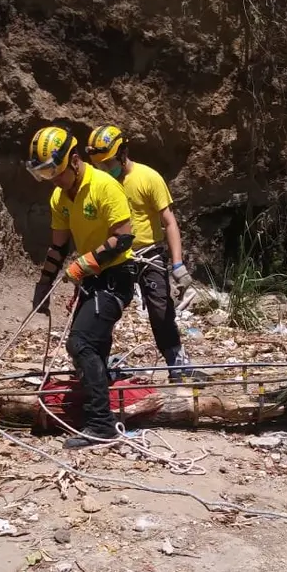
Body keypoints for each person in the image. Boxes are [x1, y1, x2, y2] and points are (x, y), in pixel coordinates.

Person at [26, 125, 136, 449]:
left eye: (55, 172)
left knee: (80, 342)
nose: (53, 180)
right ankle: (99, 402)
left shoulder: (104, 186)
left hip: (116, 276)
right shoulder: (59, 197)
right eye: (46, 174)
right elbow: (58, 247)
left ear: (74, 160)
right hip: (92, 279)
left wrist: (83, 264)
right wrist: (43, 284)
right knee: (94, 346)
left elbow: (123, 238)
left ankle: (101, 424)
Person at [86, 125, 200, 381]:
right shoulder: (100, 184)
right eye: (99, 165)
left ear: (123, 153)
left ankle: (177, 362)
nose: (104, 168)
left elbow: (169, 222)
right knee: (103, 309)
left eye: (108, 163)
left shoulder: (148, 178)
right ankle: (98, 365)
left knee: (161, 308)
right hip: (116, 254)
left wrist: (178, 263)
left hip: (148, 254)